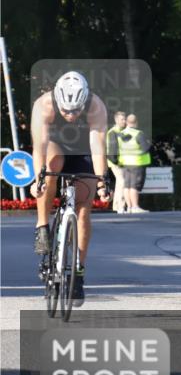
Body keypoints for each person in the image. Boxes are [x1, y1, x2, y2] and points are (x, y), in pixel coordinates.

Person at [29, 71, 110, 306]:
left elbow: (98, 146)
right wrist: (38, 179)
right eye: (66, 111)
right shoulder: (44, 105)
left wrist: (102, 180)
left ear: (84, 101)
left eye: (76, 111)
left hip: (83, 147)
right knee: (51, 165)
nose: (71, 115)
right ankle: (42, 226)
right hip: (55, 144)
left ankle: (78, 274)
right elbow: (40, 147)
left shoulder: (96, 106)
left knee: (84, 208)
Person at [118, 114, 151, 214]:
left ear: (127, 122)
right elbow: (145, 148)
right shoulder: (138, 134)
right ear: (136, 122)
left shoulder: (121, 134)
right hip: (137, 162)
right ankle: (135, 207)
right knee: (134, 186)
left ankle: (129, 207)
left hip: (124, 163)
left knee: (127, 185)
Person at [105, 111, 128, 213]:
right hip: (116, 162)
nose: (124, 121)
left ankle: (117, 207)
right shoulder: (113, 132)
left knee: (120, 183)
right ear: (116, 120)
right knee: (123, 182)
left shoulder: (122, 132)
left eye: (125, 119)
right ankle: (120, 206)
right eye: (122, 119)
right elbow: (111, 149)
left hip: (121, 162)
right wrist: (115, 161)